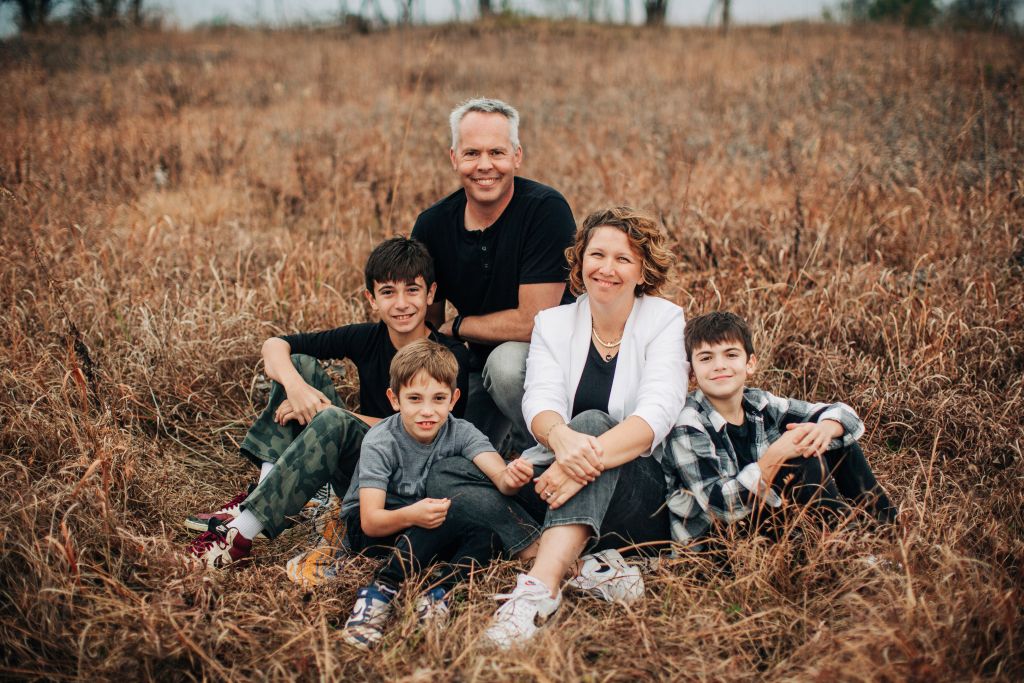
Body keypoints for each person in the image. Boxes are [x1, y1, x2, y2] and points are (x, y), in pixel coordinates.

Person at [425, 206, 688, 648]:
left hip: (638, 495)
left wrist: (573, 459)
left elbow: (652, 419)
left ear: (643, 271)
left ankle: (537, 591)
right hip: (560, 483)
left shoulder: (665, 321)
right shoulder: (554, 322)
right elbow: (540, 403)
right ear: (580, 261)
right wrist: (562, 445)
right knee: (444, 472)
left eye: (623, 259)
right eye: (597, 254)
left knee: (592, 421)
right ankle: (579, 563)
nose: (607, 268)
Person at [185, 238, 470, 577]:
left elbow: (438, 431)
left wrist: (329, 413)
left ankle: (239, 535)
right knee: (301, 365)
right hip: (356, 462)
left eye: (412, 290)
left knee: (334, 419)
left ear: (431, 293)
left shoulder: (449, 356)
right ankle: (266, 491)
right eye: (388, 292)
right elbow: (275, 345)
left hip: (397, 478)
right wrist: (297, 389)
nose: (402, 303)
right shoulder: (367, 337)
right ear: (371, 298)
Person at [338, 339, 535, 649]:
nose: (427, 411)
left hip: (426, 518)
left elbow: (500, 478)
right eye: (414, 398)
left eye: (438, 398)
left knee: (488, 535)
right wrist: (413, 515)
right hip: (377, 526)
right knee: (437, 523)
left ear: (454, 399)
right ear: (394, 399)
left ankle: (439, 594)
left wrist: (513, 477)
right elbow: (370, 522)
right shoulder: (381, 441)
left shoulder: (462, 432)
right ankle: (381, 592)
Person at [411, 97, 576, 455]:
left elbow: (534, 323)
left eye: (497, 153)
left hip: (550, 361)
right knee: (449, 453)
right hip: (477, 364)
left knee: (506, 364)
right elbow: (426, 323)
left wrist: (458, 327)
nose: (485, 165)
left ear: (517, 155)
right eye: (471, 153)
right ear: (454, 158)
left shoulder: (545, 210)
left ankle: (540, 453)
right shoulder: (433, 224)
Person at [662, 311, 896, 549]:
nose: (719, 365)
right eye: (706, 358)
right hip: (715, 546)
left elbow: (844, 415)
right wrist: (775, 458)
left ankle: (889, 535)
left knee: (833, 437)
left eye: (731, 354)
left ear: (750, 364)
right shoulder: (688, 423)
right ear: (692, 372)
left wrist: (826, 429)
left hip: (763, 519)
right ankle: (848, 548)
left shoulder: (760, 403)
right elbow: (720, 506)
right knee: (800, 461)